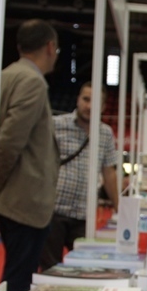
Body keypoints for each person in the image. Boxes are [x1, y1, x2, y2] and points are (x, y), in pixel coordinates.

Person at [0, 19, 61, 291]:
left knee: (16, 274)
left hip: (12, 198)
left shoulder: (5, 76)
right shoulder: (32, 82)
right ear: (50, 47)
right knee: (18, 280)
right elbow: (10, 141)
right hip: (24, 199)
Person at [40, 82, 119, 270]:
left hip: (85, 214)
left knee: (85, 270)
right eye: (86, 99)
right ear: (78, 100)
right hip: (54, 211)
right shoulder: (57, 125)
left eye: (95, 102)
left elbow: (109, 173)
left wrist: (119, 208)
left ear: (103, 107)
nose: (89, 106)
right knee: (50, 271)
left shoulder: (105, 134)